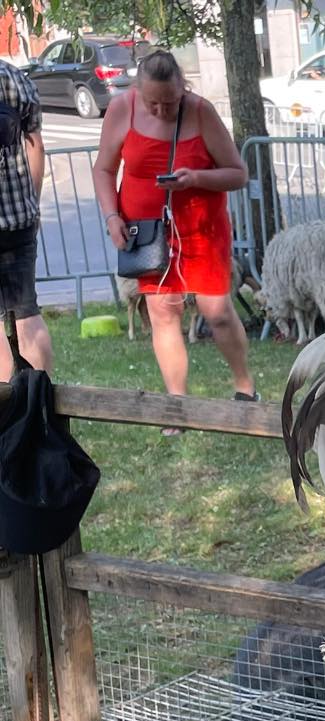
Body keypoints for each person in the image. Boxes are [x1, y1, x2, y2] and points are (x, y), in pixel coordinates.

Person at [93, 50, 257, 434]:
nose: (162, 110)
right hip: (148, 232)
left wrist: (195, 178)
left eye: (170, 101)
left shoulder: (200, 112)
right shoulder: (121, 109)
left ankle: (245, 387)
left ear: (182, 89)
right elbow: (103, 169)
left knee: (216, 311)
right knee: (163, 311)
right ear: (138, 92)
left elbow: (238, 174)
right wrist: (112, 216)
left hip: (202, 228)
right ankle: (177, 406)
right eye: (153, 103)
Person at [0, 58, 52, 380]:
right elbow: (36, 147)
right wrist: (30, 202)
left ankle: (6, 419)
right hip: (19, 222)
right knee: (27, 314)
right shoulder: (14, 77)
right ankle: (42, 407)